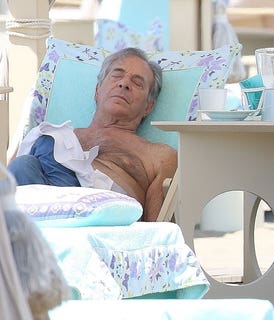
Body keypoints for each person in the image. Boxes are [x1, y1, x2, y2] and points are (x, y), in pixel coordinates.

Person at [8, 47, 177, 222]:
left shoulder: (160, 156)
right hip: (41, 210)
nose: (124, 83)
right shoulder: (65, 136)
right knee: (24, 163)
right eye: (117, 75)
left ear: (148, 107)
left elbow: (159, 227)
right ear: (97, 91)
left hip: (95, 216)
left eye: (137, 83)